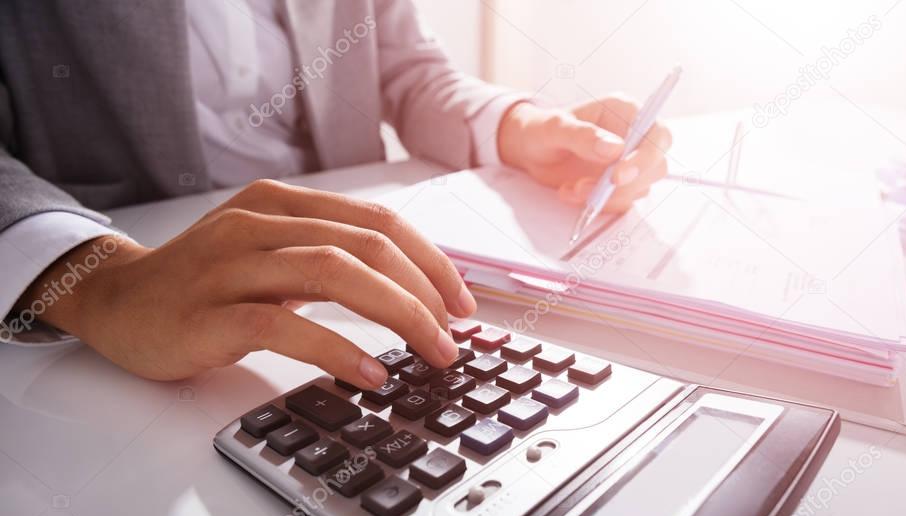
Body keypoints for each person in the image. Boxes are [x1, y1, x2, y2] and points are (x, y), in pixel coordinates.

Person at [0, 0, 670, 388]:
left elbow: (408, 71)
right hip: (124, 295)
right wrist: (94, 279)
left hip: (357, 282)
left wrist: (517, 127)